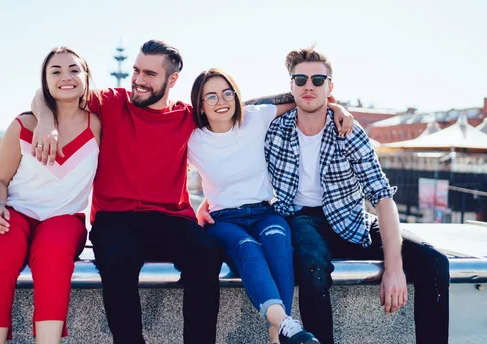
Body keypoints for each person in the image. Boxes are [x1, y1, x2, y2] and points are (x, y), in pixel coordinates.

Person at [30, 40, 222, 344]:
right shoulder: (111, 101)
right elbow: (50, 92)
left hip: (171, 219)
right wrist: (45, 122)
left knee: (207, 255)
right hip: (115, 219)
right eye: (135, 70)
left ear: (172, 80)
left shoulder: (187, 117)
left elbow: (238, 109)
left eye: (149, 73)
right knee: (118, 259)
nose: (138, 79)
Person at [264, 47, 450, 344]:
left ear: (330, 87)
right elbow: (237, 109)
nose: (308, 86)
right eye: (299, 79)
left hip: (351, 219)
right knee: (312, 265)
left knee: (435, 262)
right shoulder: (274, 130)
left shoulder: (348, 130)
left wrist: (394, 267)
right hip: (301, 220)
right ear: (290, 85)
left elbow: (381, 195)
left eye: (317, 79)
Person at [190, 69, 354, 344]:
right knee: (248, 248)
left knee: (279, 240)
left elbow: (301, 99)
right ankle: (284, 324)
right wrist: (192, 207)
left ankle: (278, 328)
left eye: (227, 92)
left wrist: (335, 105)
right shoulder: (194, 139)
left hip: (264, 212)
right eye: (212, 96)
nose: (222, 101)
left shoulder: (254, 119)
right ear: (201, 106)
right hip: (223, 220)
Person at [0, 47, 101, 343]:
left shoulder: (97, 124)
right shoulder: (23, 125)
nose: (65, 77)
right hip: (16, 213)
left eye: (73, 70)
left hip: (65, 219)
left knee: (55, 255)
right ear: (45, 81)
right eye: (55, 71)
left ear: (86, 77)